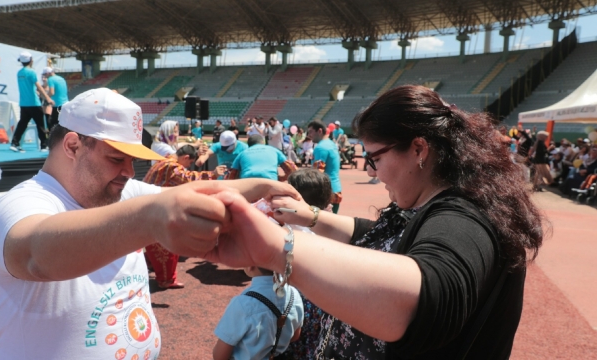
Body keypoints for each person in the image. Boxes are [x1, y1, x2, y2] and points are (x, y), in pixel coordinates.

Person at [204, 85, 544, 360]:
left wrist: (279, 247)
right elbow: (380, 236)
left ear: (419, 149)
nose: (371, 171)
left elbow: (428, 298)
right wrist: (308, 216)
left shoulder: (465, 216)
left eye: (375, 158)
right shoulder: (435, 198)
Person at [0, 87, 301, 359]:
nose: (130, 172)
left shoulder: (118, 190)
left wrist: (262, 188)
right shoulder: (19, 204)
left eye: (132, 160)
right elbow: (37, 255)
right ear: (73, 145)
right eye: (117, 158)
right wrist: (151, 219)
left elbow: (196, 192)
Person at [142, 145, 226, 289]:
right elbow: (189, 178)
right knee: (168, 244)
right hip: (156, 211)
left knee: (154, 243)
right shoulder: (172, 166)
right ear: (185, 157)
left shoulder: (164, 161)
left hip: (148, 208)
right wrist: (213, 174)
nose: (188, 167)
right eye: (189, 163)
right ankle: (166, 280)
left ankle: (153, 267)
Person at [280, 169, 332, 360]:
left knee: (286, 342)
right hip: (319, 301)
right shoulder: (333, 228)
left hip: (287, 297)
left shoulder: (285, 226)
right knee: (313, 343)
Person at [213, 264, 303, 360]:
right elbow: (295, 336)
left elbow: (219, 356)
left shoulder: (242, 304)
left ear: (251, 265)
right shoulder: (295, 294)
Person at [10, 51, 53, 152]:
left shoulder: (19, 73)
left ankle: (14, 143)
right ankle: (43, 145)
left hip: (24, 104)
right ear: (30, 60)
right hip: (34, 103)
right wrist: (48, 98)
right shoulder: (31, 72)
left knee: (22, 124)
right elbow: (39, 86)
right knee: (40, 124)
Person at [306, 120, 342, 213]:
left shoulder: (321, 147)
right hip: (335, 189)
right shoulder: (331, 144)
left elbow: (317, 173)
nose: (309, 135)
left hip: (325, 192)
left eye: (311, 131)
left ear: (320, 131)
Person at [227, 134, 297, 181]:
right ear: (263, 142)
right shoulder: (273, 150)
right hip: (270, 181)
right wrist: (281, 178)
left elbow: (231, 175)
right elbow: (290, 168)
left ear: (249, 145)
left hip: (248, 182)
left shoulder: (242, 153)